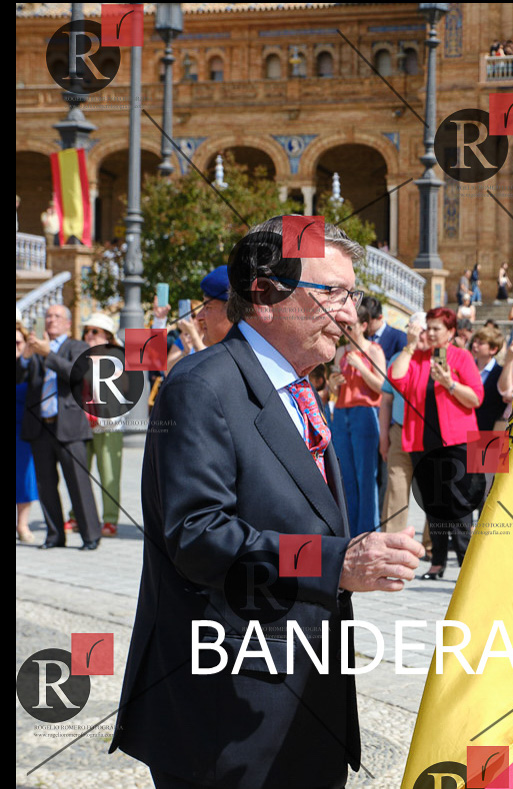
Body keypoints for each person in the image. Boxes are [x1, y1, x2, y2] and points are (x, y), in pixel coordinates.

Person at [111, 216, 425, 789]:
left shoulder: (301, 389)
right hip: (227, 713)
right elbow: (199, 536)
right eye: (333, 293)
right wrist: (337, 563)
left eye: (352, 296)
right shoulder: (202, 386)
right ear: (264, 296)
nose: (350, 314)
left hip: (304, 702)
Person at [387, 307, 484, 581]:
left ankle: (466, 566)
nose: (429, 333)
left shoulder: (461, 357)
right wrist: (409, 346)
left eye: (435, 328)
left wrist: (450, 384)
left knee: (459, 506)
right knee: (433, 505)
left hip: (456, 443)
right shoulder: (418, 357)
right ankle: (437, 563)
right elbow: (396, 378)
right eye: (427, 327)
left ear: (451, 332)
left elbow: (476, 398)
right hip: (422, 442)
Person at [20, 303, 102, 550]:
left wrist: (49, 355)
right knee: (46, 485)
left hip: (69, 427)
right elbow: (20, 378)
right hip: (40, 427)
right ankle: (55, 535)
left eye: (57, 316)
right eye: (48, 316)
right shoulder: (35, 348)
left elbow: (77, 375)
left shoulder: (76, 346)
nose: (51, 319)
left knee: (78, 482)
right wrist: (25, 358)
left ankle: (90, 536)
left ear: (67, 323)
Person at [331, 301, 388, 537]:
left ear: (364, 326)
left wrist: (361, 368)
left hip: (365, 413)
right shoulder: (340, 352)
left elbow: (382, 386)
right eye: (344, 326)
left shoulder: (374, 350)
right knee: (346, 476)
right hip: (341, 413)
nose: (346, 331)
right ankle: (351, 533)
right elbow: (335, 391)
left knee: (366, 476)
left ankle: (369, 532)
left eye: (351, 327)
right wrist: (333, 384)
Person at [380, 313, 428, 548]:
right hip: (399, 430)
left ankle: (431, 546)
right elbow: (386, 401)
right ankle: (391, 545)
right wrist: (384, 438)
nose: (416, 334)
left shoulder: (437, 358)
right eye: (412, 329)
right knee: (396, 490)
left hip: (428, 434)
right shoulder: (397, 358)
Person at [80, 313, 125, 538]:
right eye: (87, 331)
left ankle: (110, 520)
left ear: (107, 336)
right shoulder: (80, 358)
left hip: (108, 427)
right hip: (80, 426)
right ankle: (77, 515)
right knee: (79, 473)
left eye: (94, 331)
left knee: (109, 475)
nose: (89, 335)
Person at [172, 266, 234, 362]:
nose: (199, 317)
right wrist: (159, 320)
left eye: (208, 307)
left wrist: (193, 335)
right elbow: (156, 365)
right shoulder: (183, 338)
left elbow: (210, 365)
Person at [16, 321, 39, 543]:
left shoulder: (32, 364)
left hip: (23, 431)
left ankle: (22, 524)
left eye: (18, 342)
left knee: (24, 477)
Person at [471, 326, 506, 432]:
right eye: (474, 341)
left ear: (493, 349)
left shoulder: (500, 373)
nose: (474, 345)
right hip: (467, 427)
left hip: (489, 430)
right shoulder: (467, 368)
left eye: (480, 343)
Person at [362, 294, 408, 362]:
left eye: (368, 322)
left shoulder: (399, 338)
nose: (364, 325)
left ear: (379, 317)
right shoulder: (361, 334)